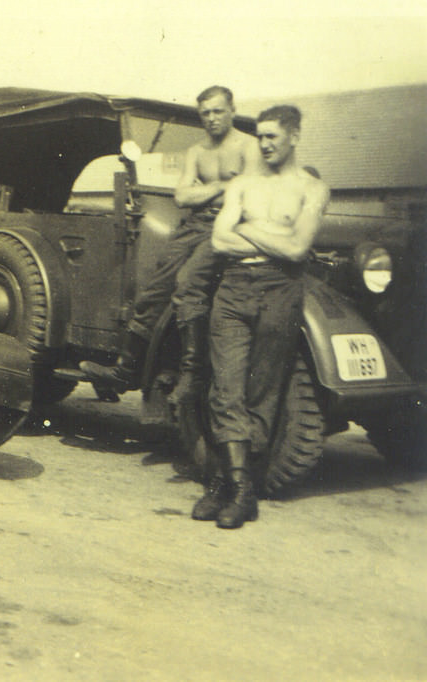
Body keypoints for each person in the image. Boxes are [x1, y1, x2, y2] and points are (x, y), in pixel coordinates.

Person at [78, 86, 263, 407]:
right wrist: (224, 185)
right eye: (205, 113)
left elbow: (249, 192)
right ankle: (125, 369)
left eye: (218, 111)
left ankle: (191, 374)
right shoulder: (197, 152)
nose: (212, 119)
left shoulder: (250, 147)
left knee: (188, 283)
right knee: (152, 290)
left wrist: (207, 189)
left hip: (229, 226)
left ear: (232, 110)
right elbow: (181, 197)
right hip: (193, 226)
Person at [193, 105, 329, 529]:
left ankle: (227, 484)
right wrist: (270, 234)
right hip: (234, 287)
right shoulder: (243, 185)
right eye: (261, 137)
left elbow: (297, 250)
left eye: (273, 136)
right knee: (226, 386)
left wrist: (247, 227)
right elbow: (219, 239)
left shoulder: (312, 189)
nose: (265, 144)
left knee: (263, 391)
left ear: (295, 136)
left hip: (281, 289)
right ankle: (240, 490)